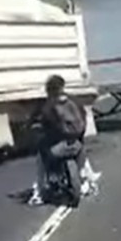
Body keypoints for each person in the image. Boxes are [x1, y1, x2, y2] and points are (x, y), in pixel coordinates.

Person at [29, 75, 101, 205]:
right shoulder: (74, 102)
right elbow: (83, 121)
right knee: (81, 152)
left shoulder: (47, 107)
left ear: (49, 89)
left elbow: (40, 125)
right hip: (76, 145)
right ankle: (88, 181)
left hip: (57, 148)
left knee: (41, 157)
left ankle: (39, 193)